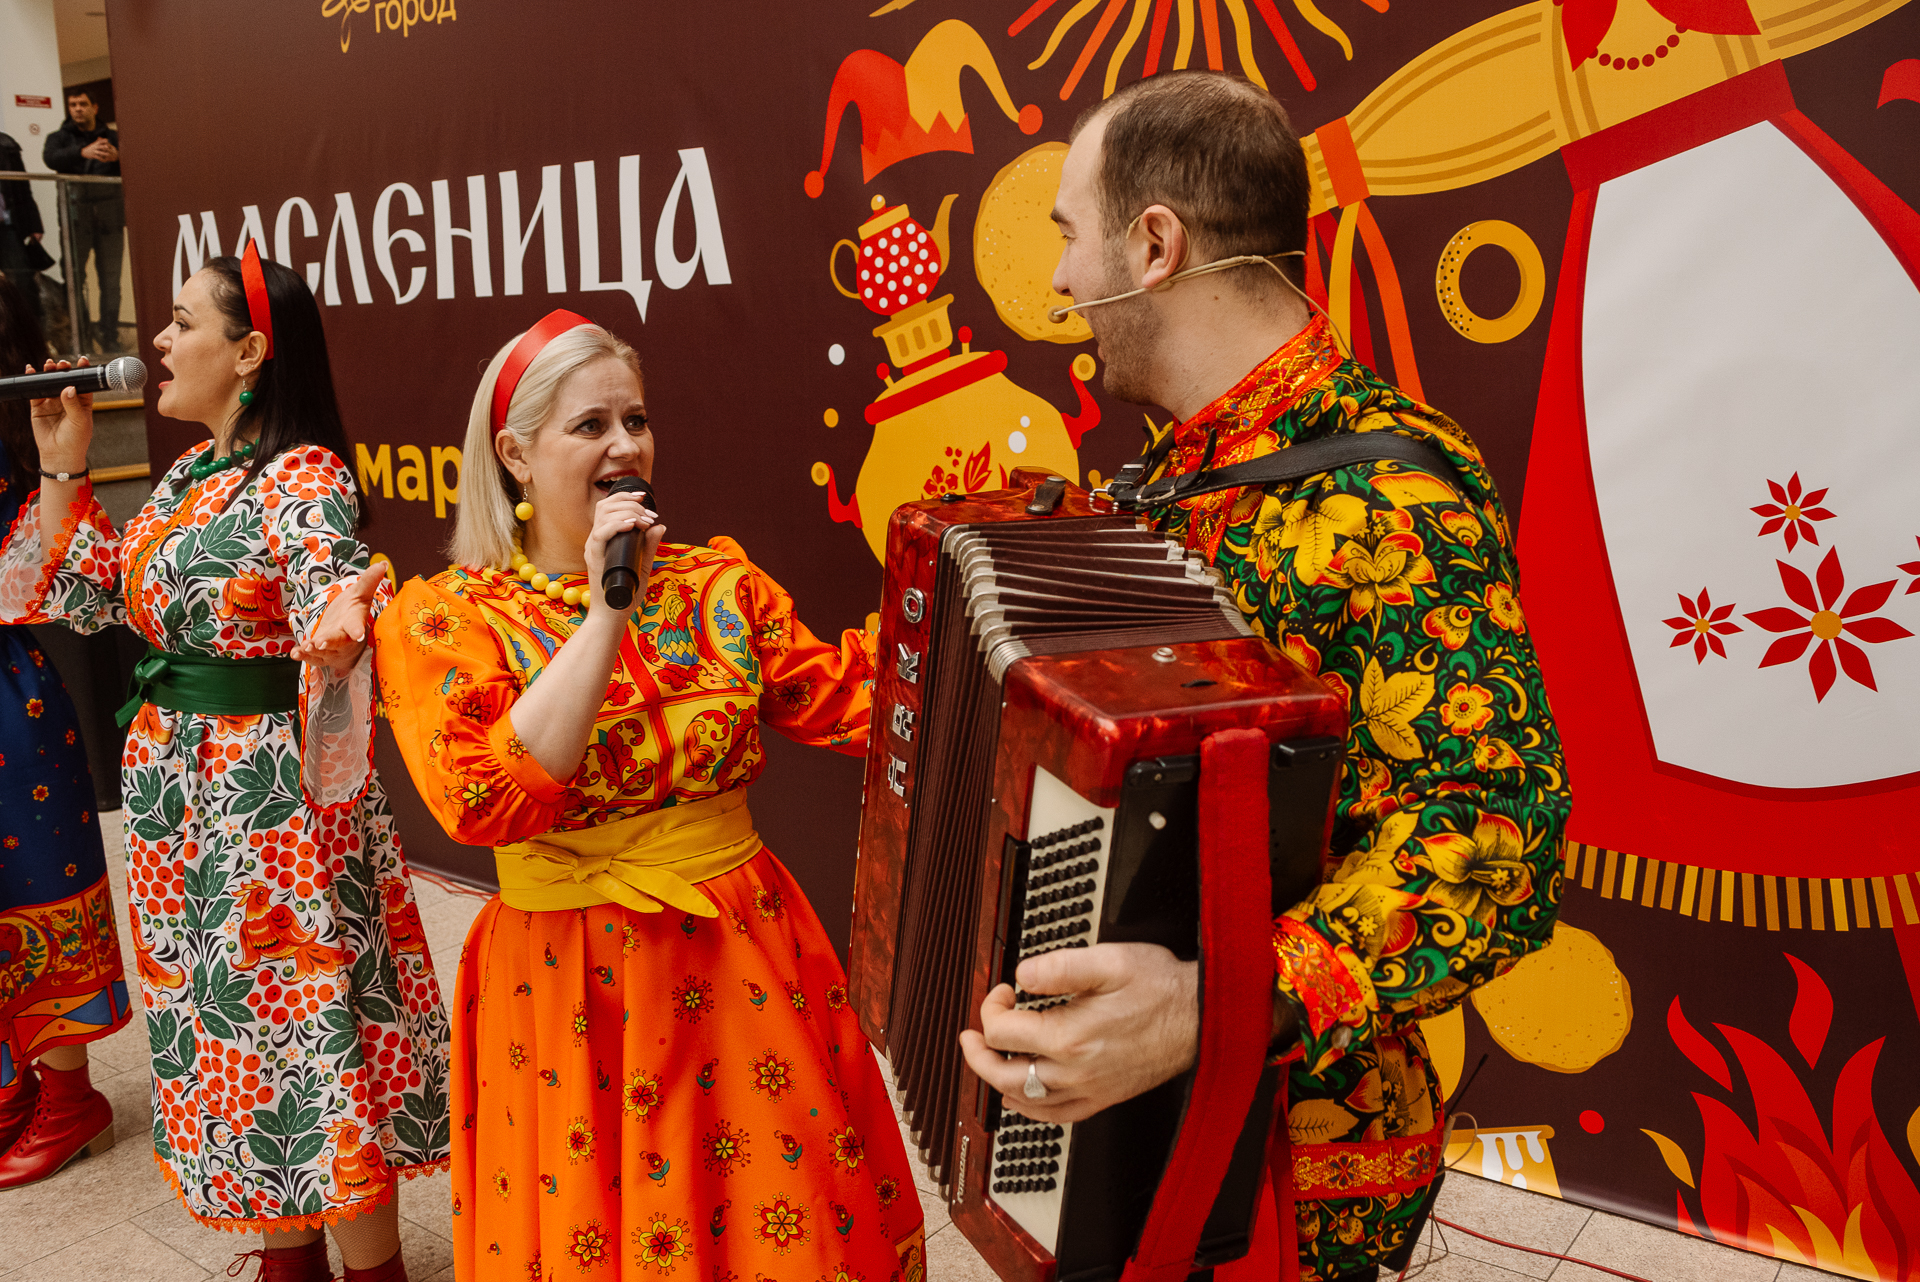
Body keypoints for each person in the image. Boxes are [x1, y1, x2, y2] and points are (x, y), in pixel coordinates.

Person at [957, 72, 1572, 1282]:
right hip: (1138, 1128)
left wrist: (1216, 1004)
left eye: (1072, 237)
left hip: (1294, 1160)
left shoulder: (1387, 496)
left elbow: (1498, 837)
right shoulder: (1169, 481)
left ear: (1154, 245)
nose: (1063, 283)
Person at [371, 311, 927, 1282]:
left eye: (636, 419)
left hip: (738, 954)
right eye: (591, 426)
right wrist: (605, 612)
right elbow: (482, 800)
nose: (626, 445)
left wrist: (970, 587)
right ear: (515, 454)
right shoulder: (446, 619)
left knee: (784, 1223)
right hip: (564, 982)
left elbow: (858, 704)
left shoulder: (720, 587)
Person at [0, 242, 449, 1282]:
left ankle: (372, 1271)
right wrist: (64, 464)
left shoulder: (304, 475)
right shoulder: (187, 476)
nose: (157, 341)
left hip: (269, 810)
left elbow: (334, 604)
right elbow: (68, 591)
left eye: (181, 321)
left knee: (306, 1029)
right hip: (182, 806)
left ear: (249, 352)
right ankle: (290, 1261)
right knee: (237, 1035)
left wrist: (347, 617)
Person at [0, 271, 130, 1190]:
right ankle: (12, 1083)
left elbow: (39, 579)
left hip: (10, 697)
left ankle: (68, 1093)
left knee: (36, 889)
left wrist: (56, 457)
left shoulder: (23, 436)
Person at [42, 89, 123, 353]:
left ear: (95, 107)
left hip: (110, 218)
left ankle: (110, 335)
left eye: (83, 104)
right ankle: (83, 336)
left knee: (111, 281)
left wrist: (118, 158)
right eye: (73, 104)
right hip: (75, 219)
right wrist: (82, 152)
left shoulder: (114, 137)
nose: (77, 109)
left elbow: (138, 163)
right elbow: (50, 158)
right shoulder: (59, 138)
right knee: (74, 279)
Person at [0, 132, 50, 327]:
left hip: (8, 226)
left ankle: (30, 334)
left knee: (23, 282)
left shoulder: (6, 145)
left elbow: (22, 186)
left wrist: (33, 223)